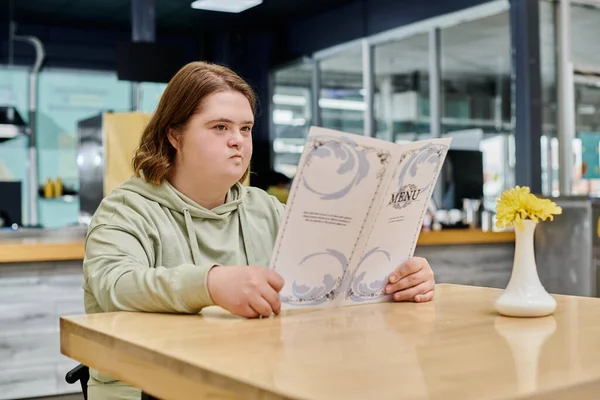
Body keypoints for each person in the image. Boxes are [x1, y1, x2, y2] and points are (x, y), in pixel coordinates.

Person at [82, 61, 436, 400]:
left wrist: (397, 277)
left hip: (247, 379)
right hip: (147, 387)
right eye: (220, 127)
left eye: (245, 128)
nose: (238, 140)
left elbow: (332, 279)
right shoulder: (124, 209)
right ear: (174, 134)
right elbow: (116, 285)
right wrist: (211, 284)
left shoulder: (266, 209)